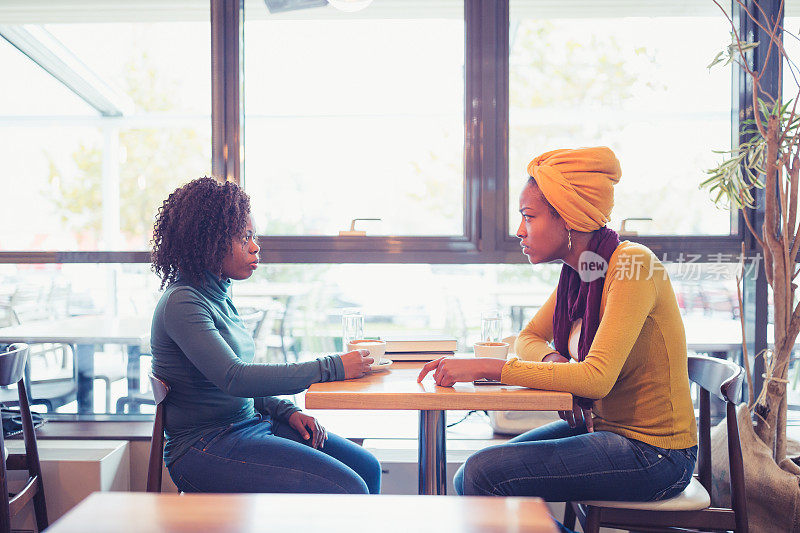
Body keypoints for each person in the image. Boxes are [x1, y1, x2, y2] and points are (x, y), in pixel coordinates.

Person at [418, 147, 697, 526]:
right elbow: (529, 337)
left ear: (567, 220)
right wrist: (556, 363)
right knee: (470, 474)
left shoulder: (633, 267)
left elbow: (595, 379)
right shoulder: (581, 272)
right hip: (603, 428)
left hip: (656, 454)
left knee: (481, 476)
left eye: (529, 217)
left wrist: (491, 368)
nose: (519, 230)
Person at [150, 176, 381, 494]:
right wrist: (333, 366)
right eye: (244, 238)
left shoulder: (217, 293)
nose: (255, 246)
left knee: (367, 468)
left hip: (247, 426)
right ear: (210, 243)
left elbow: (232, 383)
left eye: (253, 236)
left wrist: (284, 410)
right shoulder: (183, 301)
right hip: (205, 447)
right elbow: (235, 378)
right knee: (350, 488)